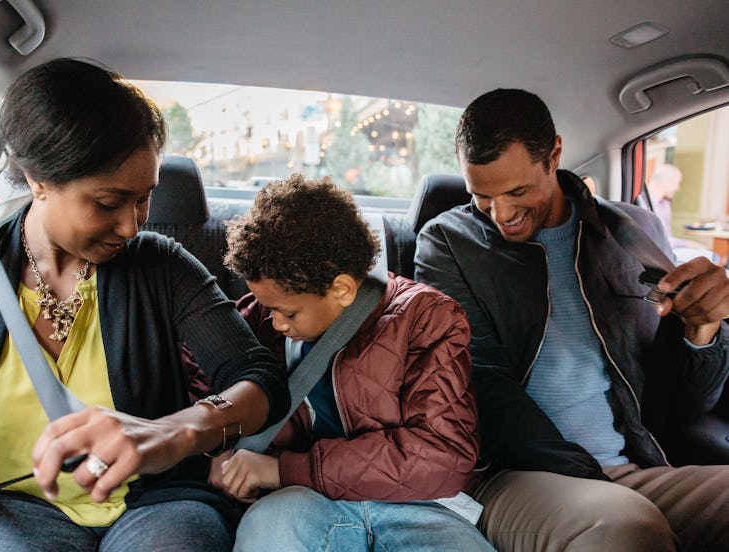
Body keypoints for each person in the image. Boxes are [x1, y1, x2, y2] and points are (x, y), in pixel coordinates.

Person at [0, 59, 289, 551]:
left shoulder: (161, 266)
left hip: (154, 506)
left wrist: (179, 433)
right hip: (1, 512)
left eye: (144, 198)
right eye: (108, 203)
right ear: (38, 180)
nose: (132, 225)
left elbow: (259, 376)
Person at [414, 88, 729, 551]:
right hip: (515, 478)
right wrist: (593, 481)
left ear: (555, 154)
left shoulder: (631, 232)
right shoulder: (447, 244)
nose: (501, 214)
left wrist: (703, 330)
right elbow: (480, 387)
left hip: (633, 469)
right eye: (481, 195)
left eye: (517, 191)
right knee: (626, 527)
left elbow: (685, 405)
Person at [218, 174, 495, 551]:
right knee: (269, 533)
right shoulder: (262, 318)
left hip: (418, 504)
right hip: (299, 500)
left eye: (288, 313)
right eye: (269, 309)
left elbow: (442, 454)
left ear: (342, 290)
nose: (276, 324)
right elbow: (207, 382)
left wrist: (284, 469)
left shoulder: (426, 317)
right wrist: (225, 456)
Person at [647, 163, 716, 263]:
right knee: (712, 257)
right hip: (660, 253)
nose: (678, 188)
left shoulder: (665, 204)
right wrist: (690, 244)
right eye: (677, 183)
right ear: (667, 181)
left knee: (708, 254)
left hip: (668, 249)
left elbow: (667, 237)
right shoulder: (649, 204)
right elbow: (661, 240)